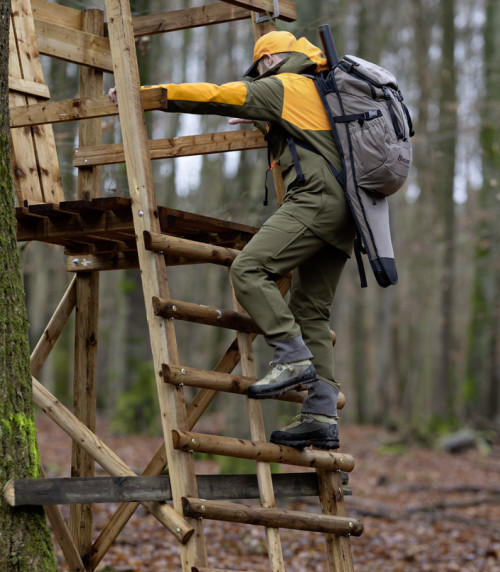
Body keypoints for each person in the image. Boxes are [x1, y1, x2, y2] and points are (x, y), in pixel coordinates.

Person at [109, 31, 355, 450]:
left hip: (316, 200)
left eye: (257, 68)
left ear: (270, 60)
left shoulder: (284, 85)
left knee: (249, 268)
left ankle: (291, 358)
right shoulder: (324, 88)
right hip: (349, 213)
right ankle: (320, 414)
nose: (257, 75)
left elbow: (215, 94)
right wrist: (264, 118)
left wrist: (148, 93)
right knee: (310, 310)